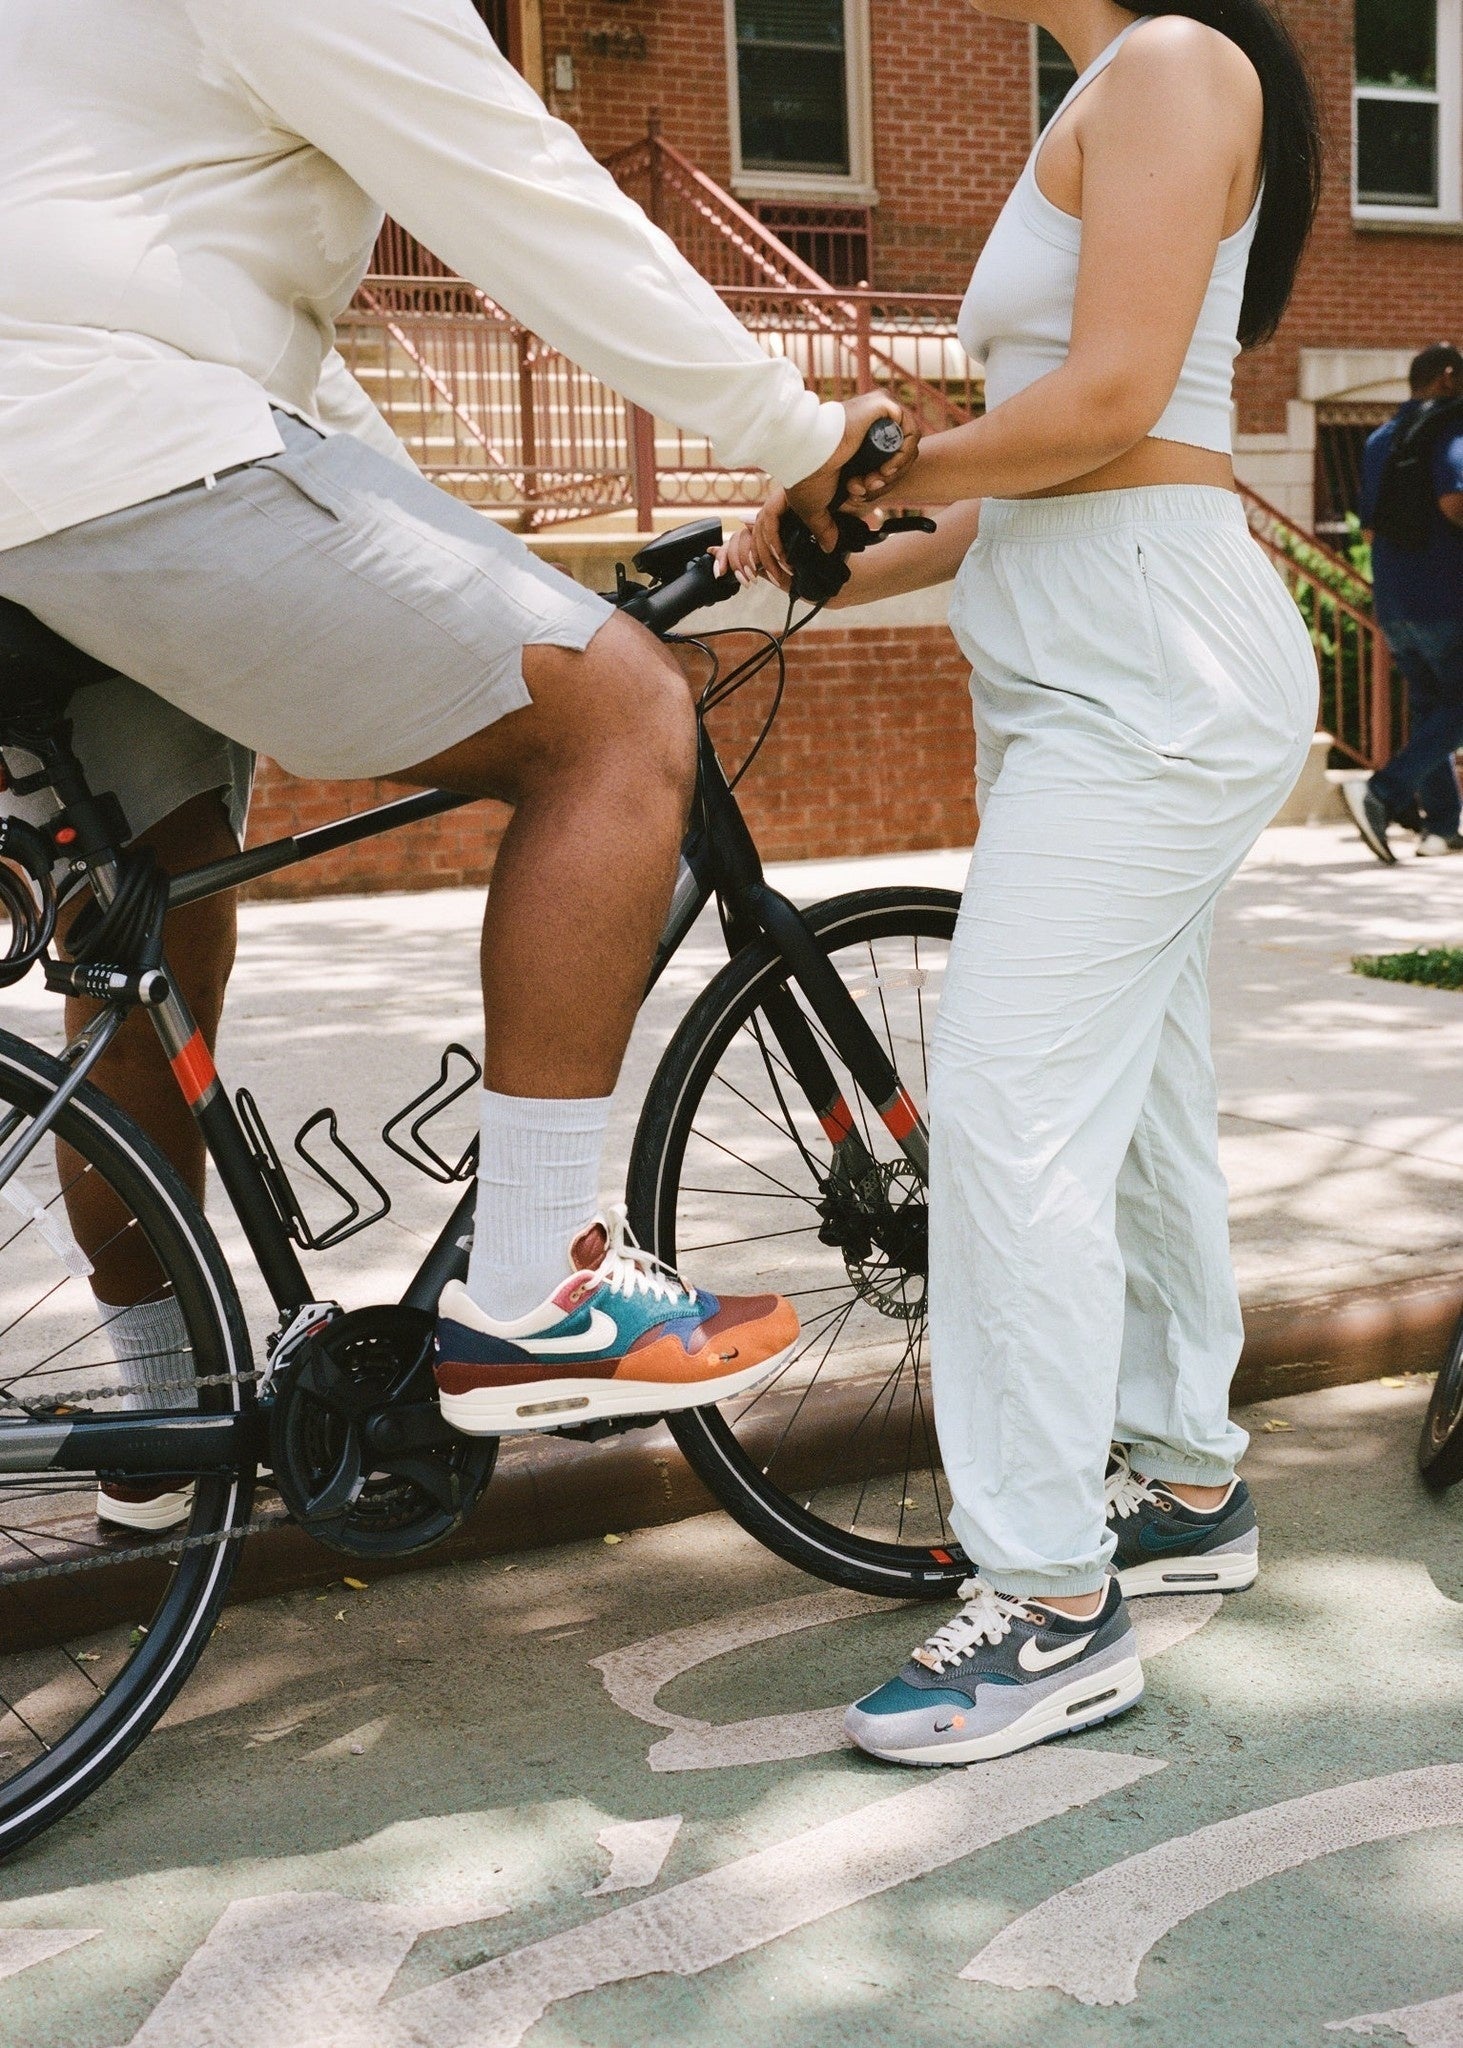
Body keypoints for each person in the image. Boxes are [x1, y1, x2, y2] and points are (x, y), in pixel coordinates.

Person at [0, 0, 915, 1529]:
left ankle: (161, 1424)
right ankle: (541, 1288)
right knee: (618, 719)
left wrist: (487, 566)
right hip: (112, 440)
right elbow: (516, 184)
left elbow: (280, 368)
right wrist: (790, 427)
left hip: (61, 475)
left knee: (140, 927)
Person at [720, 0, 1320, 1764]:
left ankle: (1050, 1602)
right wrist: (807, 547)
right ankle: (1186, 1481)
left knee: (1005, 1114)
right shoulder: (1116, 88)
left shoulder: (1171, 65)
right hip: (1090, 641)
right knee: (1129, 1107)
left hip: (1143, 661)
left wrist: (878, 458)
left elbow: (1118, 408)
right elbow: (1039, 472)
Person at [1344, 344, 1463, 864]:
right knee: (1456, 710)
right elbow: (1455, 499)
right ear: (1446, 377)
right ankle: (1383, 793)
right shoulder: (1450, 429)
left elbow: (1369, 526)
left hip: (1395, 601)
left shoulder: (1379, 439)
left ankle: (1440, 828)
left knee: (1431, 710)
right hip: (1447, 596)